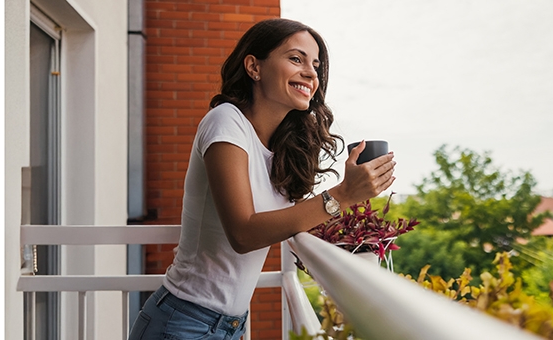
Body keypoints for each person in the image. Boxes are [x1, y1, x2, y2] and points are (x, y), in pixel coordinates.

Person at [128, 18, 396, 340]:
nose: (311, 73)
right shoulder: (226, 122)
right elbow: (243, 233)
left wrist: (359, 237)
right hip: (183, 323)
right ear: (254, 67)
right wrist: (341, 195)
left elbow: (285, 221)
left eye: (316, 64)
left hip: (228, 324)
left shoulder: (279, 147)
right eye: (296, 59)